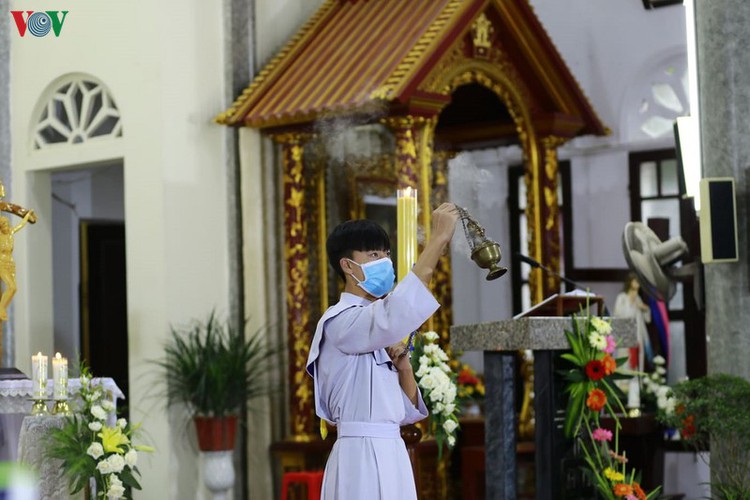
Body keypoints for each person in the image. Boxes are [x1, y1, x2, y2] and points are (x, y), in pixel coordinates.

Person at [306, 202, 459, 500]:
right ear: (348, 266)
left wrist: (404, 369)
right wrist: (438, 240)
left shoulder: (373, 321)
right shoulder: (340, 321)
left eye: (386, 254)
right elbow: (396, 312)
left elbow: (404, 412)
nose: (385, 261)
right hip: (359, 455)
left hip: (392, 451)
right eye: (374, 255)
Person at [0, 209, 34, 321]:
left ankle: (2, 307)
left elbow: (21, 225)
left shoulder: (10, 233)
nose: (6, 226)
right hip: (1, 263)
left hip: (10, 264)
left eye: (7, 224)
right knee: (12, 286)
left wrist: (27, 215)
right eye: (3, 224)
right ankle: (1, 308)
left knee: (14, 289)